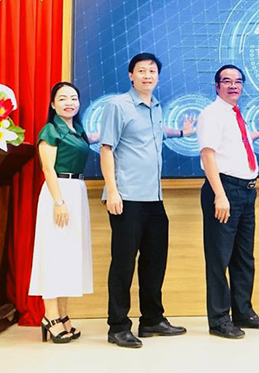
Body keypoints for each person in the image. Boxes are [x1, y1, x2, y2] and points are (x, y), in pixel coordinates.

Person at [99, 53, 192, 348]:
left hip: (154, 197)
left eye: (152, 71)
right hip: (126, 197)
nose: (147, 75)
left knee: (154, 261)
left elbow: (154, 136)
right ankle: (118, 326)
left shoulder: (156, 107)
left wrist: (182, 132)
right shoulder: (118, 105)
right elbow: (106, 149)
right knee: (123, 264)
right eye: (141, 71)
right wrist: (112, 191)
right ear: (131, 75)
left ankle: (151, 319)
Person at [196, 64, 259, 339]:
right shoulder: (211, 114)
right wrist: (220, 195)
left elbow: (237, 143)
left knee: (243, 257)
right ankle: (220, 320)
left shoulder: (234, 114)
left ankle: (243, 312)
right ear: (217, 86)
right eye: (227, 81)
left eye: (238, 81)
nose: (233, 85)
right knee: (219, 259)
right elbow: (208, 155)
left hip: (247, 192)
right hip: (225, 191)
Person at [29, 82, 94, 344]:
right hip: (59, 192)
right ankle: (50, 316)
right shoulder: (50, 130)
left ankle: (63, 314)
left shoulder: (78, 131)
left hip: (77, 191)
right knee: (54, 254)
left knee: (68, 256)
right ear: (53, 104)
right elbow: (48, 169)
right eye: (63, 98)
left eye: (73, 98)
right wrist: (58, 201)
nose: (69, 102)